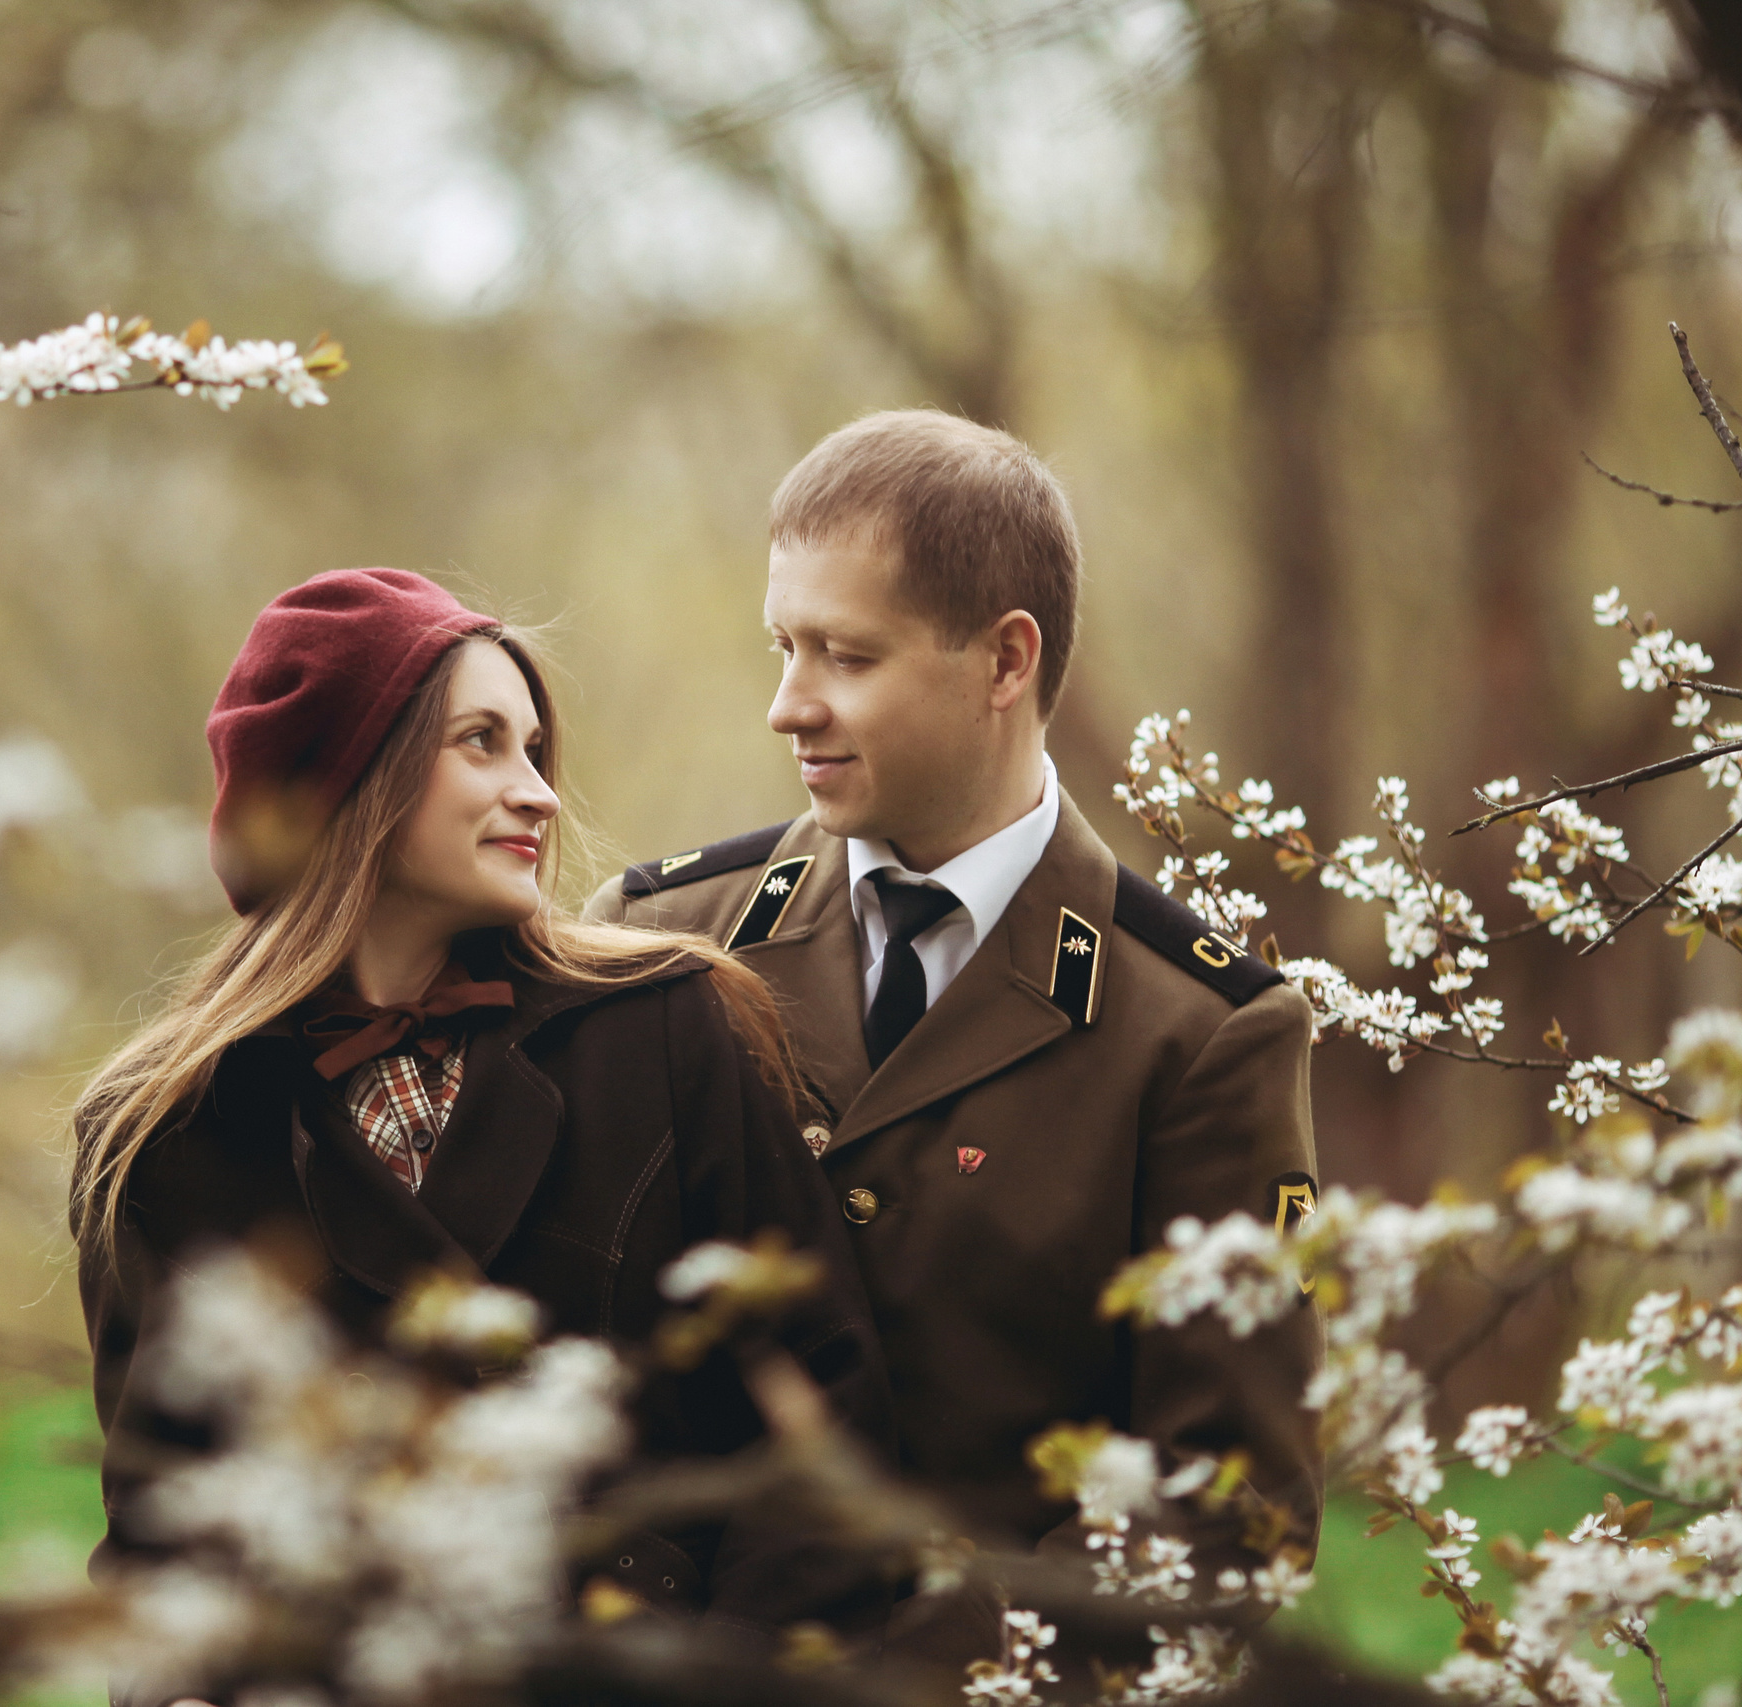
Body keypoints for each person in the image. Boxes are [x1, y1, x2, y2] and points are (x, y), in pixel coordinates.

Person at [585, 411, 1323, 1663]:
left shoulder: (1200, 1034)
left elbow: (1226, 1530)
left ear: (1003, 660)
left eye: (844, 656)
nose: (787, 705)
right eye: (783, 646)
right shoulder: (663, 946)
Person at [70, 567, 892, 1634]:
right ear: (348, 778)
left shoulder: (662, 1031)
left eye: (536, 751)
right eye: (482, 743)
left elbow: (822, 1413)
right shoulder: (164, 1127)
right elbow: (162, 1530)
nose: (540, 794)